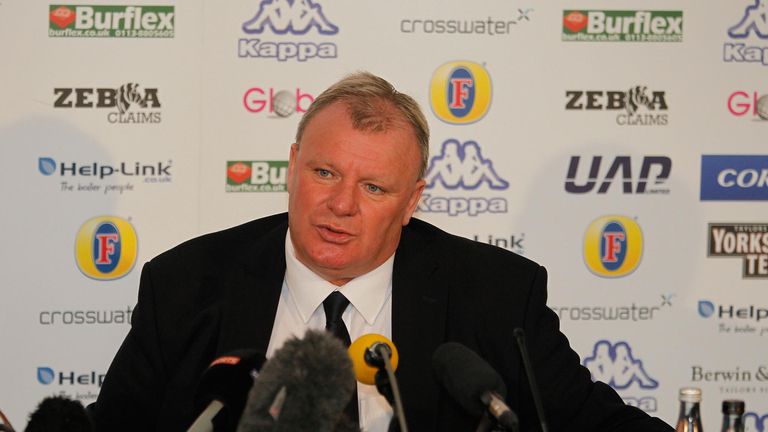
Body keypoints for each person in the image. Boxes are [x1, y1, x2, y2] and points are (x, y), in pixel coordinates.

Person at [91, 72, 673, 431]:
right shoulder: (188, 284)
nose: (341, 205)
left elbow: (581, 419)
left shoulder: (494, 295)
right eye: (324, 172)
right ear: (293, 167)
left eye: (373, 188)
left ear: (413, 199)